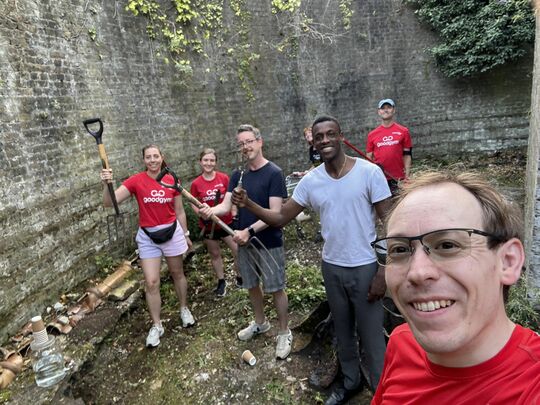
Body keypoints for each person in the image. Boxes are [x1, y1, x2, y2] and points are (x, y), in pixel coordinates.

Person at [231, 115, 392, 404]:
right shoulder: (312, 181)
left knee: (372, 338)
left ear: (341, 136)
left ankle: (384, 393)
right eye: (320, 137)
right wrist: (249, 204)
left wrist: (383, 269)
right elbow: (280, 217)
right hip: (332, 268)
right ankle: (352, 382)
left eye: (331, 134)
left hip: (366, 267)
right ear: (313, 142)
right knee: (342, 332)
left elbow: (390, 223)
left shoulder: (369, 173)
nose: (325, 140)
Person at [371, 171, 540, 404]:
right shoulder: (402, 342)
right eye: (399, 250)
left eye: (447, 244)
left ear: (508, 261)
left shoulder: (531, 386)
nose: (418, 272)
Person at [199, 124, 293, 360]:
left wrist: (249, 231)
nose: (245, 147)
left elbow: (276, 213)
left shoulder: (274, 173)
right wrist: (210, 211)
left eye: (249, 141)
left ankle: (284, 331)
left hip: (268, 241)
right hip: (244, 242)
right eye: (241, 144)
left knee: (276, 287)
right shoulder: (237, 176)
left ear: (260, 142)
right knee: (252, 285)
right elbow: (226, 206)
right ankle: (261, 323)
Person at [100, 144, 195, 348]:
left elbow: (179, 211)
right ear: (144, 160)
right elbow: (110, 203)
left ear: (162, 157)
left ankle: (184, 308)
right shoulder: (136, 180)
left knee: (177, 273)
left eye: (155, 156)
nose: (152, 160)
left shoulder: (172, 179)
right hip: (148, 236)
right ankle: (157, 325)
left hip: (171, 232)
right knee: (151, 282)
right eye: (148, 157)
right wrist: (107, 184)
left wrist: (185, 234)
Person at [190, 148, 241, 297]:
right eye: (205, 160)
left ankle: (240, 276)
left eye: (212, 160)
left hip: (226, 222)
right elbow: (193, 202)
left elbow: (231, 198)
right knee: (214, 253)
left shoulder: (224, 178)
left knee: (238, 250)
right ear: (200, 162)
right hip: (208, 226)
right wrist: (200, 213)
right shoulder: (196, 183)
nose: (208, 163)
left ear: (216, 162)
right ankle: (221, 281)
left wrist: (234, 213)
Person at [366, 99, 412, 194]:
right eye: (382, 108)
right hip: (379, 179)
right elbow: (369, 158)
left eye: (389, 107)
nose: (386, 110)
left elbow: (407, 155)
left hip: (399, 179)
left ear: (393, 110)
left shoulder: (403, 131)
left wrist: (407, 176)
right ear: (379, 112)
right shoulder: (372, 134)